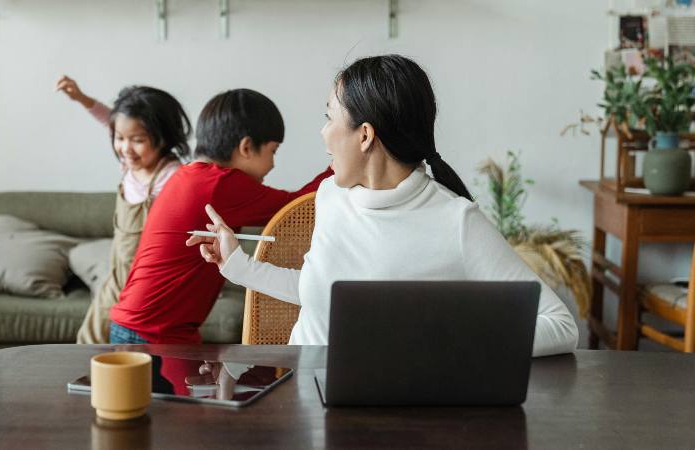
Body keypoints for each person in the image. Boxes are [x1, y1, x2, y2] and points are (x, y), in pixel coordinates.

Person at [186, 55, 578, 357]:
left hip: (393, 414)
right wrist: (238, 265)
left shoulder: (456, 221)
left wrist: (448, 339)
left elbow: (560, 325)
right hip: (302, 401)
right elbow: (320, 293)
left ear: (365, 135)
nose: (323, 133)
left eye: (328, 117)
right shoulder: (330, 196)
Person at [109, 88, 333, 345]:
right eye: (273, 152)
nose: (272, 164)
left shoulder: (189, 176)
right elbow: (295, 210)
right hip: (152, 334)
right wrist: (339, 162)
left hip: (140, 326)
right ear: (247, 147)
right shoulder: (218, 184)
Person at [56, 76, 191, 344]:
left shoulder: (171, 177)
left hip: (144, 284)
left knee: (121, 348)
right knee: (88, 339)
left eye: (137, 140)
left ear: (163, 137)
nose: (125, 148)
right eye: (119, 138)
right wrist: (83, 99)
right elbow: (112, 120)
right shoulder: (132, 164)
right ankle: (90, 384)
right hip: (117, 274)